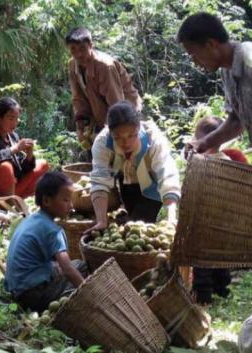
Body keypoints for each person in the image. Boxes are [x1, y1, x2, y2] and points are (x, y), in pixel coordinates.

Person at [87, 101, 180, 233]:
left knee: (137, 227)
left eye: (132, 135)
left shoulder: (154, 140)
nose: (126, 142)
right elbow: (99, 179)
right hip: (126, 183)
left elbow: (167, 175)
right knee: (129, 225)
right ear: (110, 132)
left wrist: (171, 219)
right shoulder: (102, 143)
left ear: (138, 128)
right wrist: (101, 221)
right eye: (118, 137)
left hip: (152, 188)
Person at [4, 172, 87, 312]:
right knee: (81, 267)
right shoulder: (53, 231)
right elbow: (68, 270)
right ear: (47, 201)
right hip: (33, 296)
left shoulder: (31, 219)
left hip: (17, 290)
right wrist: (88, 291)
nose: (71, 205)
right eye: (66, 200)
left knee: (70, 266)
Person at [191, 116, 248, 304]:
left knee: (202, 260)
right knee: (218, 255)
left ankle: (203, 293)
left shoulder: (201, 162)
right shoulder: (228, 158)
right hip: (224, 219)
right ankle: (222, 288)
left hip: (205, 219)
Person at [177, 12, 252, 155]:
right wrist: (204, 143)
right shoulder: (227, 72)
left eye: (194, 56)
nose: (195, 63)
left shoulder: (249, 60)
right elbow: (236, 121)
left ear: (211, 44)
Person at [65, 27, 142, 153]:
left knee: (126, 152)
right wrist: (81, 126)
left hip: (126, 114)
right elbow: (78, 98)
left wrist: (108, 131)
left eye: (82, 49)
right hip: (101, 114)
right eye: (73, 49)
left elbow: (117, 103)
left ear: (91, 45)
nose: (78, 54)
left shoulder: (105, 66)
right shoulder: (73, 65)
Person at [0, 97, 49, 198]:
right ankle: (8, 204)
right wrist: (14, 149)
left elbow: (22, 169)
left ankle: (16, 201)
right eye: (10, 118)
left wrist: (29, 155)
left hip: (11, 189)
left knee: (42, 164)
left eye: (17, 118)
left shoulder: (13, 136)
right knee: (5, 166)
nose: (15, 123)